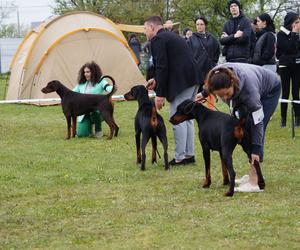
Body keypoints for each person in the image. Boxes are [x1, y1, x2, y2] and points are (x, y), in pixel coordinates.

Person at [195, 63, 281, 192]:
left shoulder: (249, 92)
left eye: (227, 93)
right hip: (245, 88)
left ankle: (254, 181)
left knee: (252, 129)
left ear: (232, 82)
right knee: (243, 127)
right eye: (221, 96)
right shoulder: (214, 75)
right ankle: (252, 173)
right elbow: (210, 87)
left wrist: (256, 150)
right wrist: (204, 94)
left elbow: (258, 123)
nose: (225, 98)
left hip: (270, 90)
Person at [144, 16, 201, 166]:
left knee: (178, 117)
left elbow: (163, 66)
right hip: (193, 79)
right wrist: (156, 79)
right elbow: (170, 63)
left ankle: (180, 157)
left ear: (152, 27)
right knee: (187, 118)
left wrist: (160, 94)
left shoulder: (157, 40)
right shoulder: (170, 36)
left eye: (145, 29)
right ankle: (189, 155)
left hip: (182, 81)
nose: (144, 32)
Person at [73, 61, 113, 138]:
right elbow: (72, 92)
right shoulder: (81, 83)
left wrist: (112, 88)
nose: (85, 74)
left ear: (94, 72)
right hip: (84, 113)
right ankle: (88, 128)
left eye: (88, 72)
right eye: (84, 72)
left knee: (94, 111)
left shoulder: (101, 81)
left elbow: (108, 88)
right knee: (81, 134)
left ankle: (98, 130)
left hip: (98, 111)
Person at [276, 12, 300, 127]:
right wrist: (294, 35)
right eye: (296, 22)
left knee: (296, 93)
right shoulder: (281, 34)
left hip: (297, 66)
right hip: (285, 67)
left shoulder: (297, 35)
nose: (298, 24)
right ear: (290, 23)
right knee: (285, 93)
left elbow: (296, 50)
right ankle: (283, 120)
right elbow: (287, 48)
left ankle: (297, 119)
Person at [187, 16, 220, 91]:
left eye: (201, 24)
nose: (199, 26)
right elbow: (188, 55)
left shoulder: (212, 38)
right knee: (197, 94)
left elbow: (217, 51)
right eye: (197, 24)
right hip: (197, 71)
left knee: (208, 92)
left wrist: (213, 62)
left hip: (209, 70)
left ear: (205, 25)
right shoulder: (191, 39)